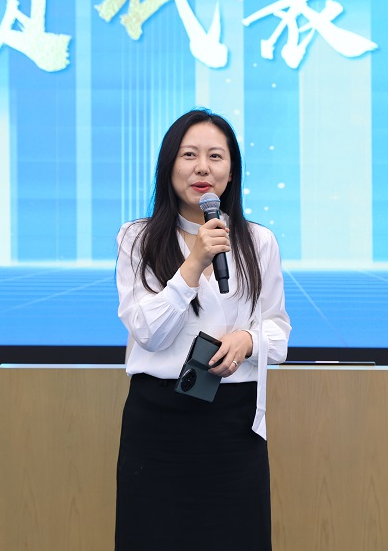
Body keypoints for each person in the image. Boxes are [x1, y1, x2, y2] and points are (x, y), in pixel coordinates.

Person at [114, 108, 291, 550]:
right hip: (158, 424)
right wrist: (193, 263)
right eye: (189, 154)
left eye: (215, 156)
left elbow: (278, 333)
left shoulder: (259, 242)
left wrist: (249, 340)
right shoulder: (137, 238)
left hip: (233, 424)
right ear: (169, 165)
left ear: (231, 172)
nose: (202, 168)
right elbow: (149, 332)